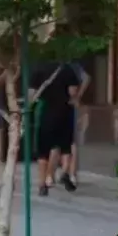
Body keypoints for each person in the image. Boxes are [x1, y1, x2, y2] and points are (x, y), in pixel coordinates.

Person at [28, 58, 82, 196]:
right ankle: (64, 172)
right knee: (64, 146)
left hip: (45, 111)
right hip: (64, 111)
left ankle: (42, 184)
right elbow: (73, 92)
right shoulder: (67, 69)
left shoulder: (38, 68)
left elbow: (31, 94)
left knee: (43, 150)